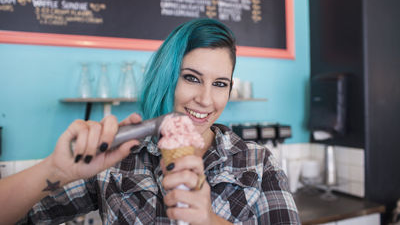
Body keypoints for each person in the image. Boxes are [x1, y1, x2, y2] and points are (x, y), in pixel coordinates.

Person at [0, 18, 300, 224]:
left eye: (220, 84)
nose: (206, 100)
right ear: (166, 78)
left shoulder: (257, 163)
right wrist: (56, 169)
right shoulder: (117, 160)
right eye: (192, 78)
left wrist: (209, 220)